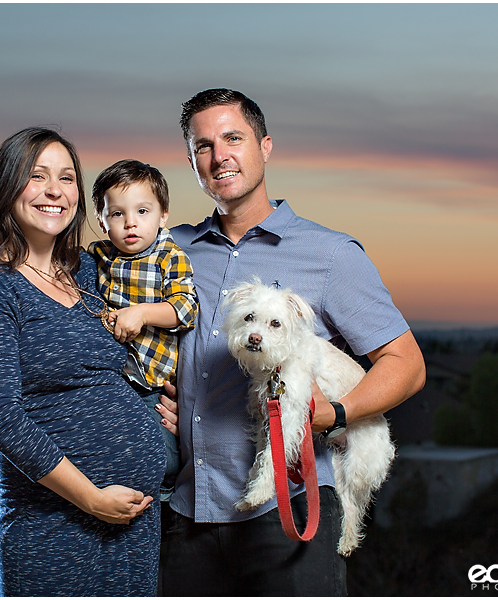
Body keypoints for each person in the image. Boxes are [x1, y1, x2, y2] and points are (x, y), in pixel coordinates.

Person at [158, 88, 427, 596]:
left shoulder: (330, 255)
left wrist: (339, 412)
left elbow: (407, 364)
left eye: (233, 138)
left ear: (265, 146)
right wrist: (152, 402)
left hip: (289, 512)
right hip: (187, 511)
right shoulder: (171, 251)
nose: (219, 157)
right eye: (203, 146)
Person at [0, 127, 165, 596]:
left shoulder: (92, 272)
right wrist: (91, 498)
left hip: (137, 525)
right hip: (56, 531)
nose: (55, 190)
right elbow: (1, 419)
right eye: (37, 176)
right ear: (6, 187)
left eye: (67, 178)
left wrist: (162, 405)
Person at [88, 159, 198, 502]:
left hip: (153, 380)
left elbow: (186, 308)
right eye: (117, 214)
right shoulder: (100, 254)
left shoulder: (169, 256)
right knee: (113, 454)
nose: (130, 222)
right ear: (102, 220)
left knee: (162, 457)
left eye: (142, 211)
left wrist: (143, 313)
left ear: (163, 215)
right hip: (114, 379)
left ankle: (164, 502)